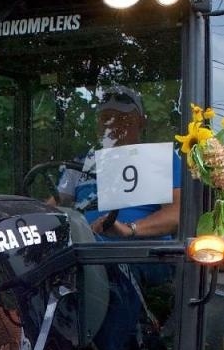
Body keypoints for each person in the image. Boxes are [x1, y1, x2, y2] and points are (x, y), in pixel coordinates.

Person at [62, 85, 183, 241]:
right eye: (106, 119)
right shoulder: (81, 163)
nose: (113, 126)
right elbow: (54, 204)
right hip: (82, 255)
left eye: (123, 119)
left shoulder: (160, 158)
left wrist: (130, 229)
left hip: (139, 256)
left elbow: (177, 213)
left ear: (141, 122)